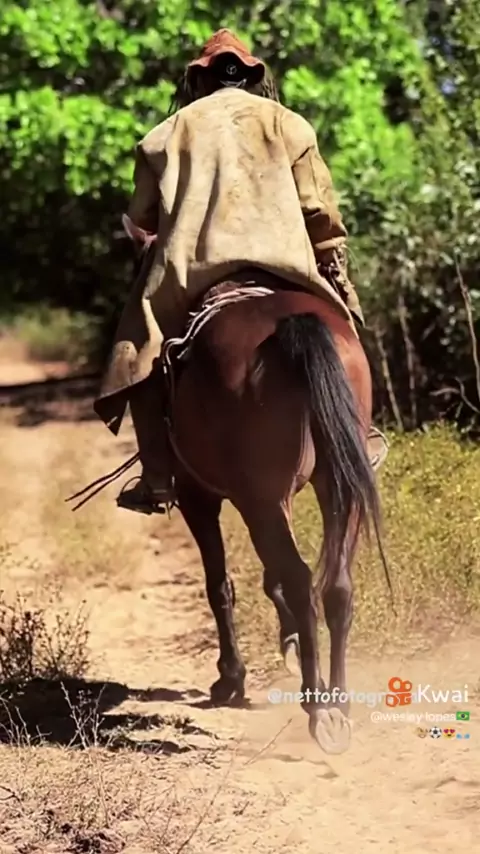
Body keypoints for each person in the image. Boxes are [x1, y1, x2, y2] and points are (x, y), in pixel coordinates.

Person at [94, 28, 384, 516]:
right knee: (346, 332)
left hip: (196, 273)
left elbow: (142, 218)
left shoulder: (163, 136)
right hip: (290, 269)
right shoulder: (291, 125)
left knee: (140, 348)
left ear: (199, 79)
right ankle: (361, 434)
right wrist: (338, 276)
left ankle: (157, 476)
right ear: (251, 76)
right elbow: (321, 215)